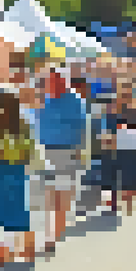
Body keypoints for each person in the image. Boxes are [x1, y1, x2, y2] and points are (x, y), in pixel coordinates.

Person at [0, 89, 35, 270]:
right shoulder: (24, 126)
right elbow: (29, 152)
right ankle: (24, 252)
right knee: (17, 215)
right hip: (18, 174)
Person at [36, 67, 87, 253]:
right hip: (46, 152)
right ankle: (53, 232)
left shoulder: (74, 101)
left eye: (55, 79)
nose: (51, 84)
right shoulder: (45, 100)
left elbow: (82, 127)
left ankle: (55, 234)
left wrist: (79, 152)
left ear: (63, 80)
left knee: (62, 194)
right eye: (49, 80)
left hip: (67, 152)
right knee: (50, 195)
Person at [106, 89, 136, 215]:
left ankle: (128, 205)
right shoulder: (111, 113)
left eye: (127, 96)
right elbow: (109, 131)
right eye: (122, 96)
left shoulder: (133, 112)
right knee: (115, 177)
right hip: (116, 148)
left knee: (128, 177)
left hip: (129, 147)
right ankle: (114, 203)